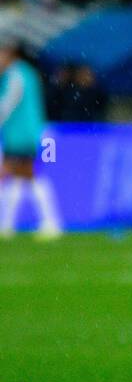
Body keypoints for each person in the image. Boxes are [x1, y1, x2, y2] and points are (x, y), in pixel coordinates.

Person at [0, 41, 62, 239]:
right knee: (22, 177)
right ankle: (11, 225)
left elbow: (8, 103)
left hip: (22, 134)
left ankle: (50, 223)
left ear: (10, 54)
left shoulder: (16, 75)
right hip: (28, 132)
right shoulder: (27, 73)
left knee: (13, 174)